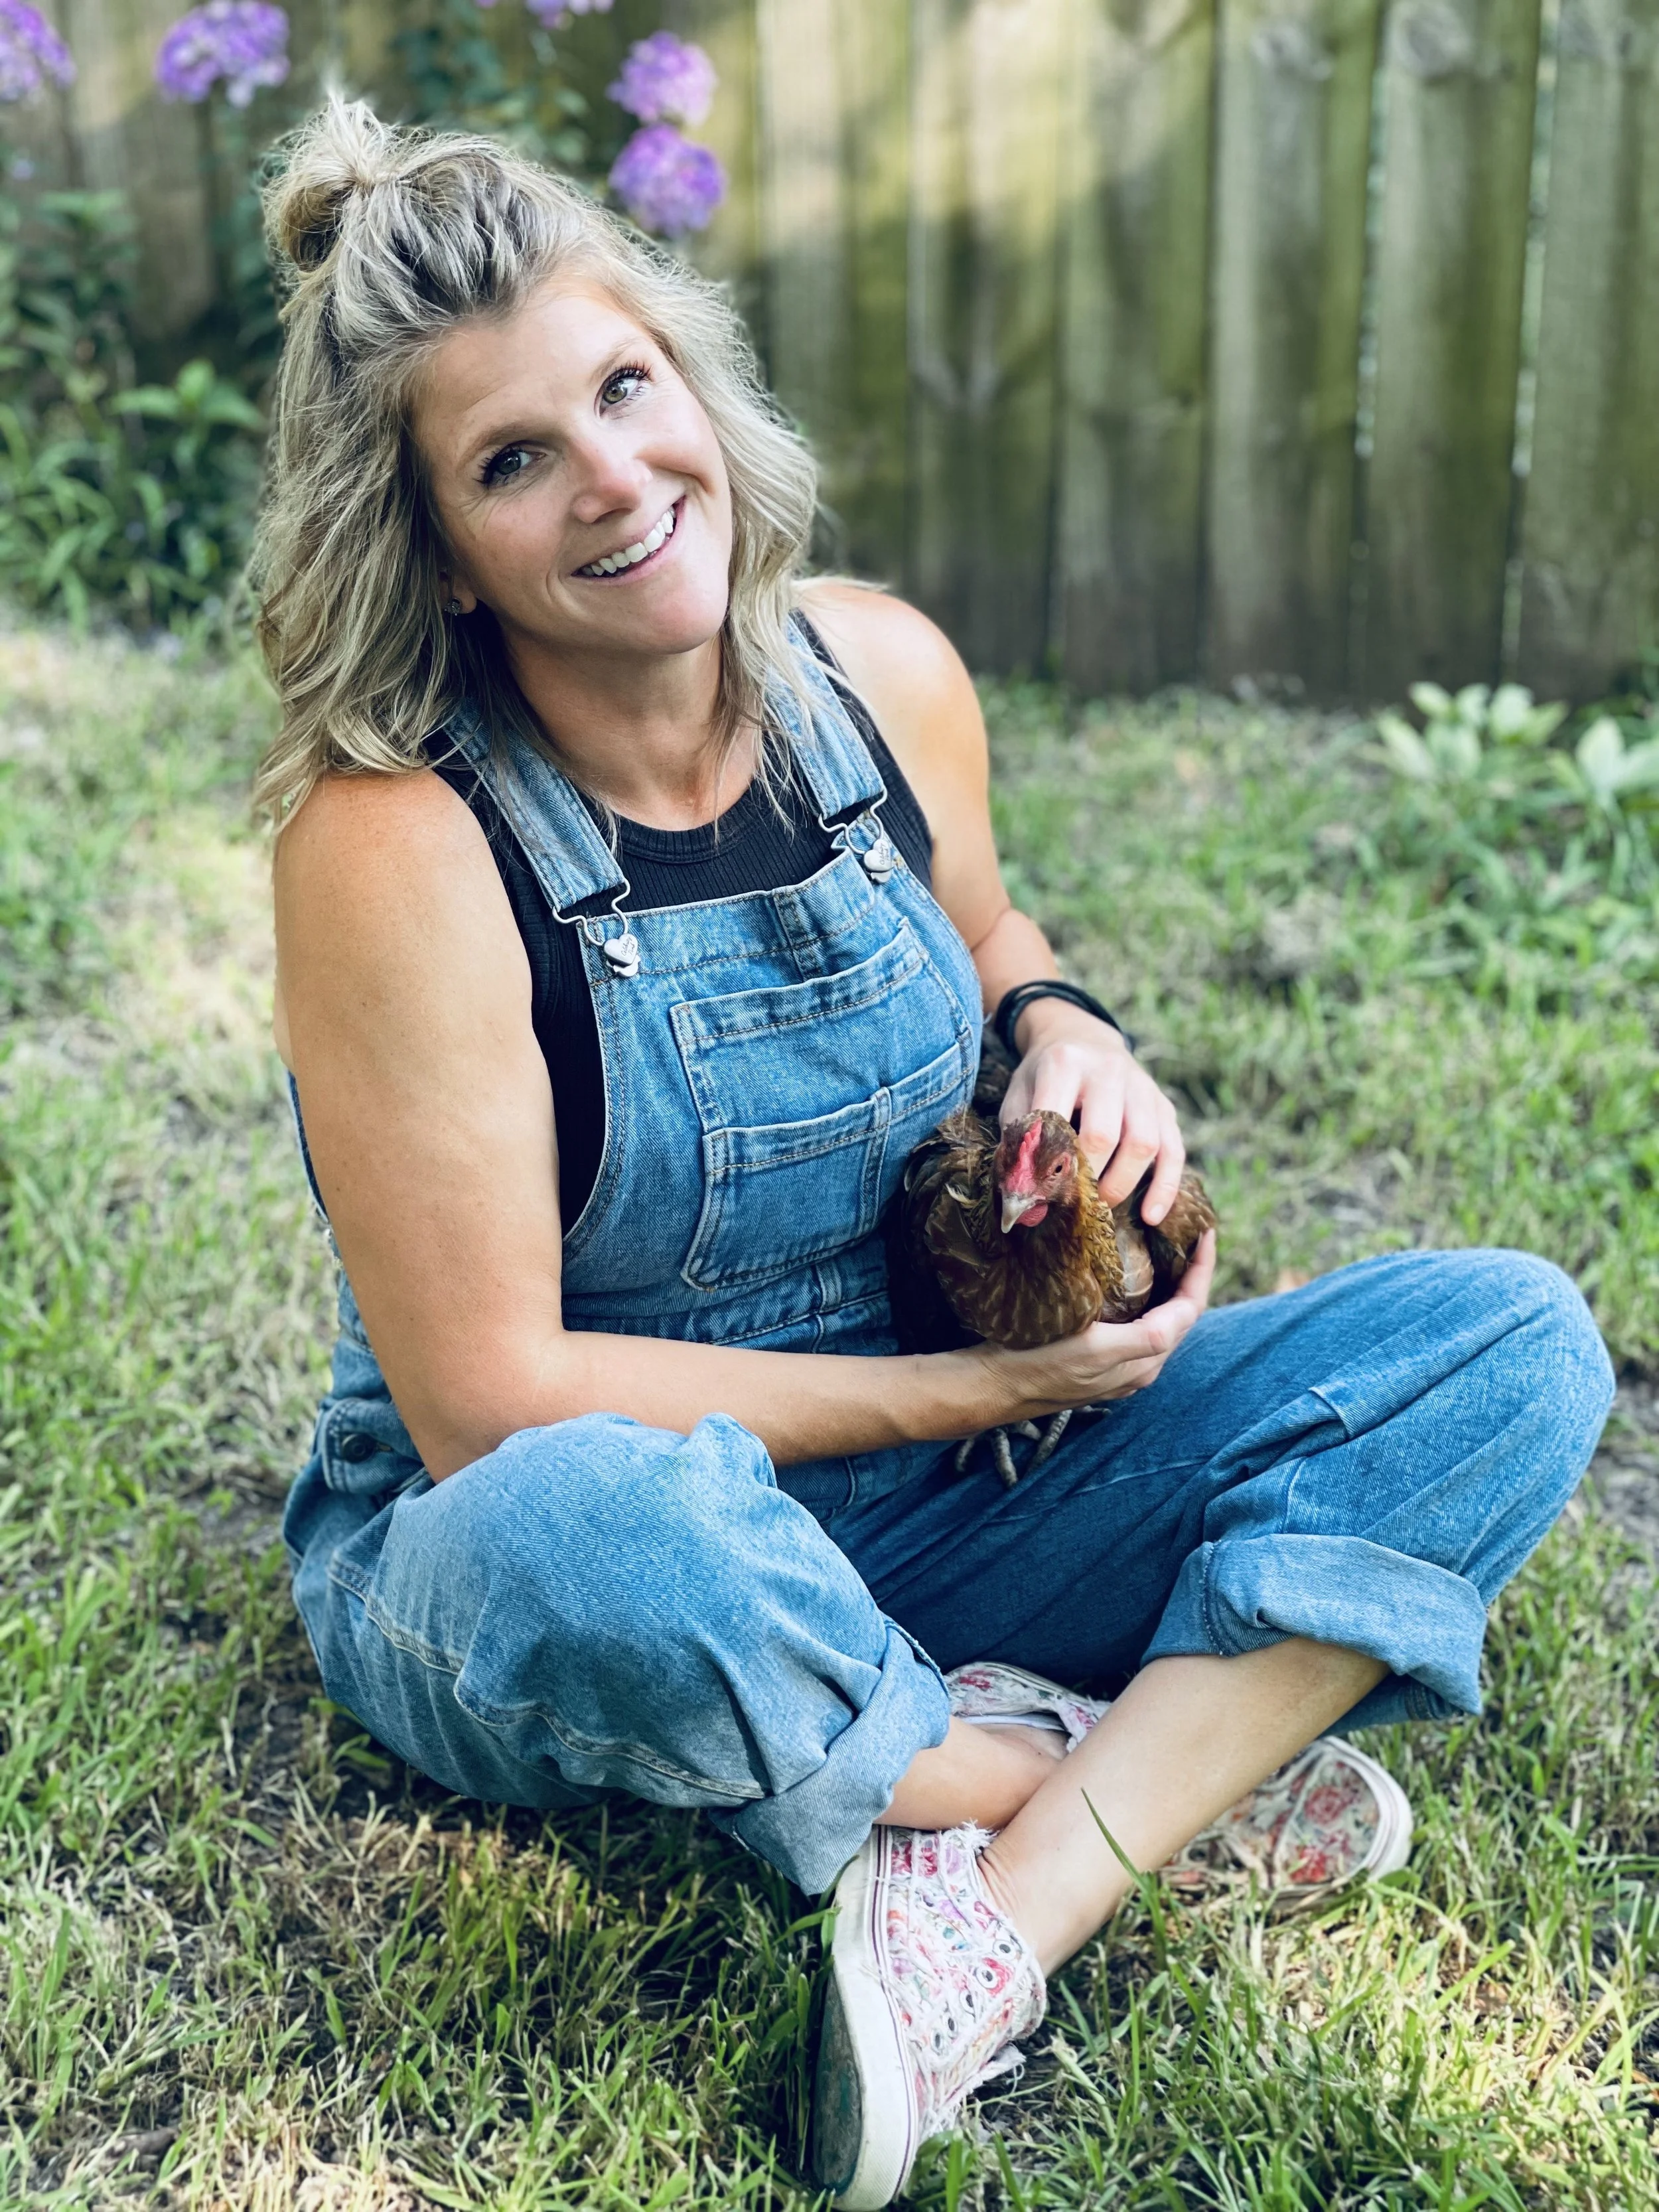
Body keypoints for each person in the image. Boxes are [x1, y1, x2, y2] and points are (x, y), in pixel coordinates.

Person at [260, 100, 1613, 2211]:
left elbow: (988, 936)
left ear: (694, 384)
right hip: (567, 1526)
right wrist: (985, 1384)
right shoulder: (397, 846)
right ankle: (1099, 1771)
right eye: (514, 459)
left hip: (970, 1503)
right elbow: (490, 1399)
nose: (618, 477)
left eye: (628, 389)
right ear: (438, 546)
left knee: (1509, 1345)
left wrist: (1067, 1028)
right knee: (605, 1523)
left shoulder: (875, 675)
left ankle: (986, 1886)